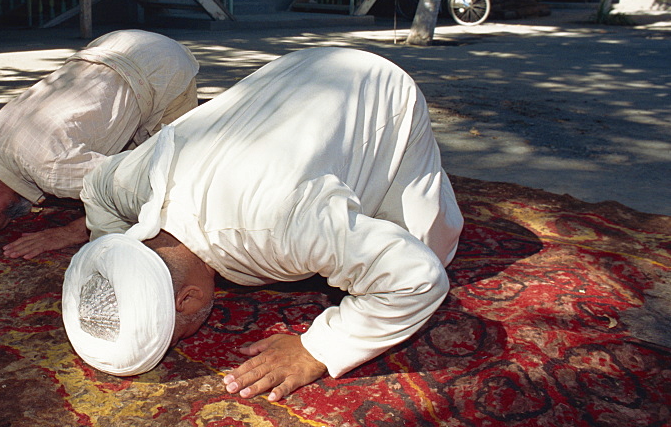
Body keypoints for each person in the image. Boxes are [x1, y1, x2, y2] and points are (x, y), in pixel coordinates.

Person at [61, 47, 463, 402]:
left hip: (375, 87)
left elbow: (417, 279)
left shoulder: (279, 228)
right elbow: (96, 185)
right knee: (347, 227)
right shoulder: (133, 183)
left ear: (190, 300)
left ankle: (409, 163)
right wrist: (119, 256)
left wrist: (317, 350)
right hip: (301, 68)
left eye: (178, 336)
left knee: (432, 248)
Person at [0, 29, 199, 258]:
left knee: (176, 177)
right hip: (112, 43)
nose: (4, 227)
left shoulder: (53, 171)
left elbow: (131, 192)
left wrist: (66, 233)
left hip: (160, 65)